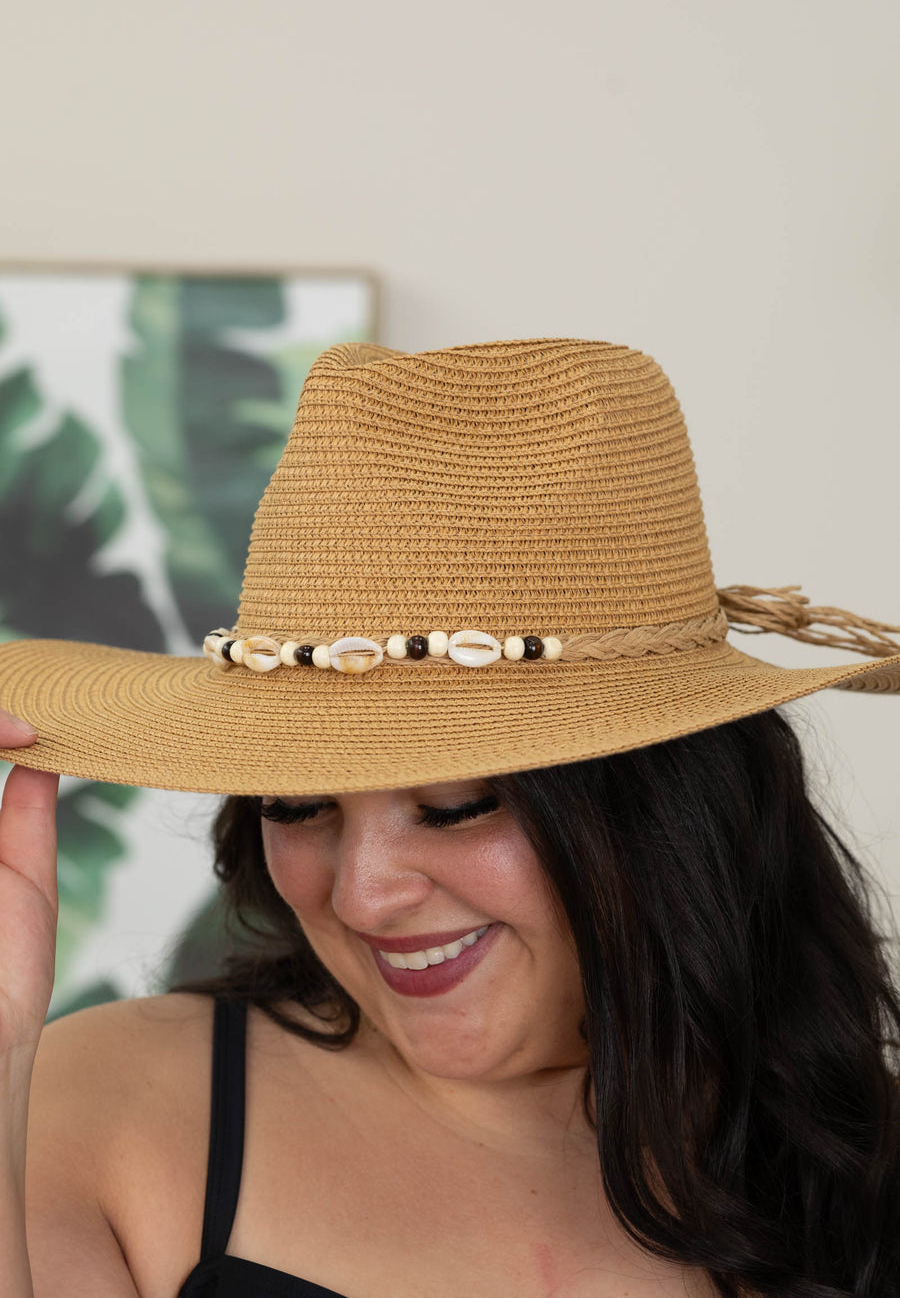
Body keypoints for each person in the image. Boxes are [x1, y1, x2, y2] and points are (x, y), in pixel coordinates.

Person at [1, 336, 899, 1298]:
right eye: (299, 804)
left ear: (662, 812)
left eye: (455, 807)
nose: (363, 894)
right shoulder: (99, 1110)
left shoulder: (851, 1160)